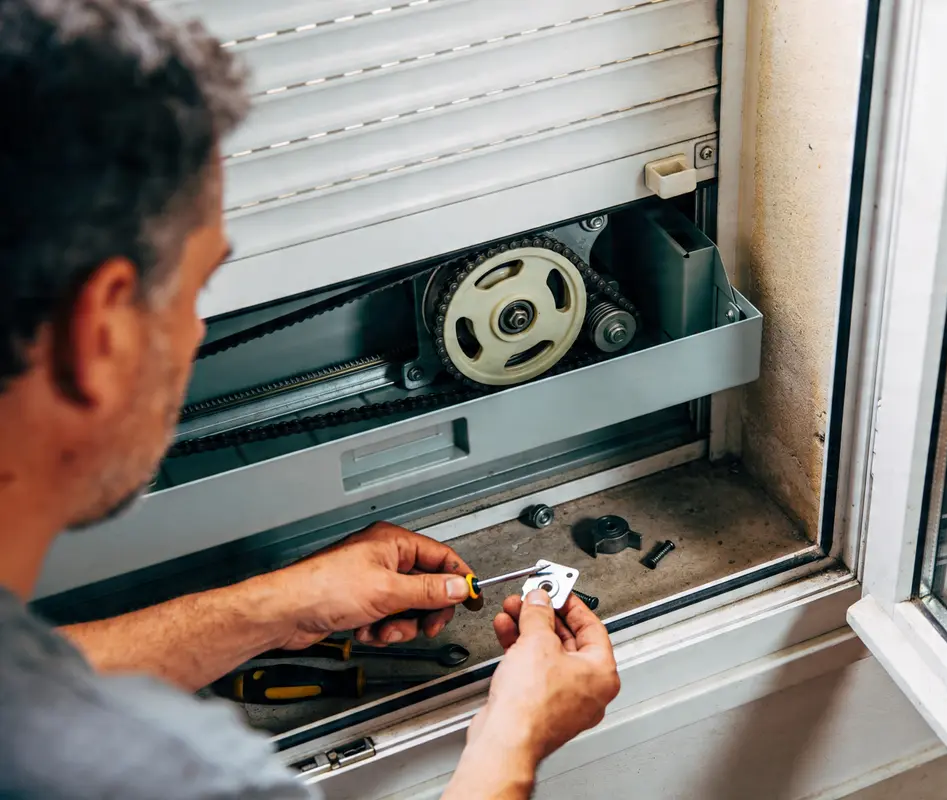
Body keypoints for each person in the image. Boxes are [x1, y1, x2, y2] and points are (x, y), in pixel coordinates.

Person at [0, 0, 620, 797]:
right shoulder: (175, 775)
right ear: (101, 335)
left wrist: (278, 610)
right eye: (195, 291)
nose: (196, 336)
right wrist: (513, 744)